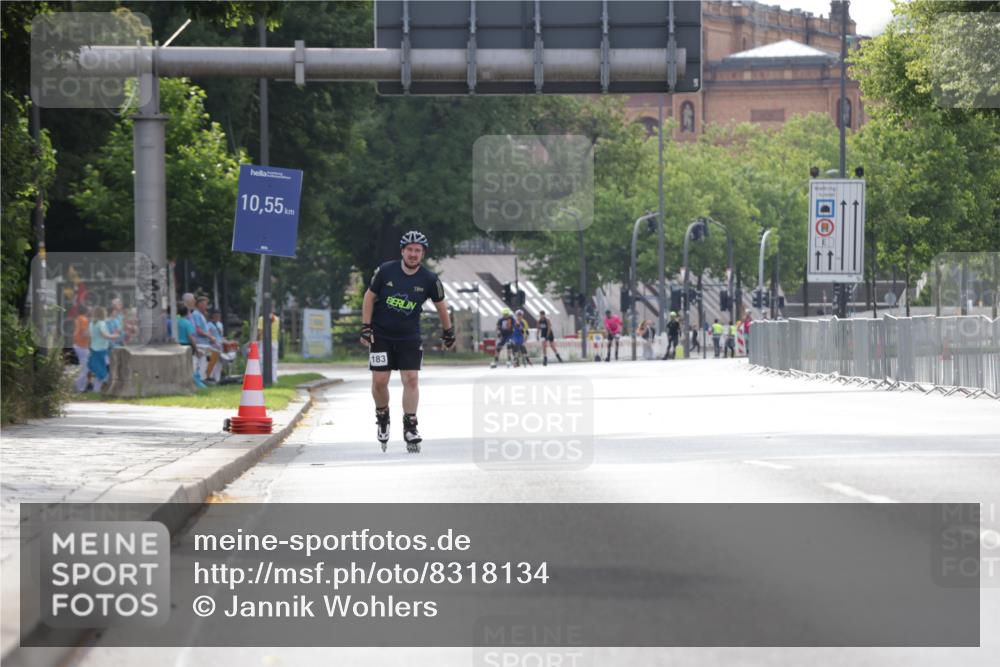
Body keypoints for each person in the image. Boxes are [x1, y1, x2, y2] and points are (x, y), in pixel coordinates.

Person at [360, 230, 453, 453]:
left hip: (409, 336)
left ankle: (410, 425)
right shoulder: (385, 271)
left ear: (423, 254)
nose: (413, 254)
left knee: (411, 379)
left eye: (417, 251)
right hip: (381, 334)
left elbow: (441, 305)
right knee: (380, 381)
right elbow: (369, 297)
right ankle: (382, 415)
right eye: (409, 250)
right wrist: (366, 327)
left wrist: (448, 331)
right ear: (402, 251)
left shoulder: (429, 279)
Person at [175, 304, 206, 388]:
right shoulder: (187, 323)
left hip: (176, 345)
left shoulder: (175, 321)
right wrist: (196, 349)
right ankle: (197, 380)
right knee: (193, 364)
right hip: (187, 345)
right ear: (187, 313)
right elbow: (191, 337)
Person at [86, 306, 115, 392]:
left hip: (94, 348)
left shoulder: (91, 323)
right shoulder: (101, 323)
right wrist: (114, 336)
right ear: (102, 314)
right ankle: (100, 387)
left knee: (96, 368)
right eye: (105, 312)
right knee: (104, 369)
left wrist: (89, 347)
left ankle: (94, 387)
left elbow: (90, 337)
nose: (106, 314)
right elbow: (104, 335)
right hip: (102, 349)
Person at [256, 311, 281, 381]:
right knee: (274, 362)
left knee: (261, 360)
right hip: (274, 341)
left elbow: (260, 332)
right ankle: (274, 379)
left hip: (264, 341)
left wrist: (257, 339)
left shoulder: (261, 318)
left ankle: (260, 378)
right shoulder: (277, 319)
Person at [72, 304, 91, 393]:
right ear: (86, 310)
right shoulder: (84, 319)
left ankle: (79, 387)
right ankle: (79, 388)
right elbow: (84, 333)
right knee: (85, 368)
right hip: (82, 346)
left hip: (78, 344)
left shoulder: (78, 318)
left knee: (83, 367)